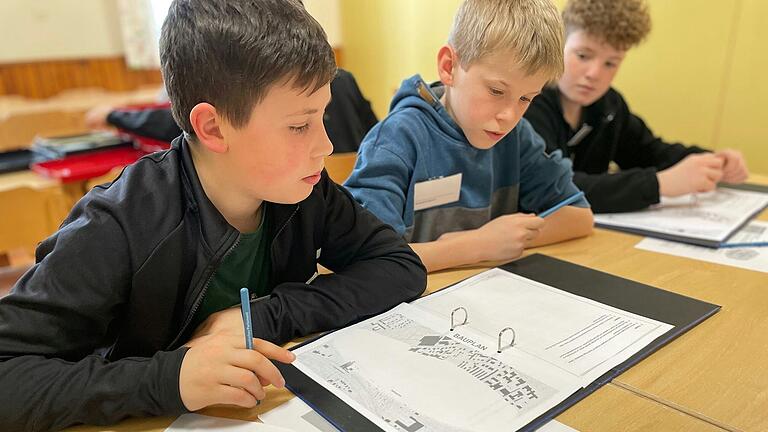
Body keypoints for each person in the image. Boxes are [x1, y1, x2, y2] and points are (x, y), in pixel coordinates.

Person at [0, 1, 426, 430]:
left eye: (323, 116)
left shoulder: (305, 190)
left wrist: (261, 316)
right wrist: (170, 378)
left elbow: (400, 266)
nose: (326, 145)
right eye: (300, 125)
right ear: (214, 128)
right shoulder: (116, 225)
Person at [344, 0, 594, 273]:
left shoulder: (516, 136)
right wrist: (476, 246)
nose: (509, 116)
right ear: (449, 66)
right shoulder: (396, 140)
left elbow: (579, 217)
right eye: (497, 91)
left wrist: (502, 240)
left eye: (526, 98)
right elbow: (369, 258)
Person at [523, 0, 749, 213]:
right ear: (558, 45)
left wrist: (712, 160)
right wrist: (658, 184)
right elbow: (552, 187)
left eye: (610, 63)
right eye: (583, 55)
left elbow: (650, 152)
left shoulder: (610, 105)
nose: (594, 74)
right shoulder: (525, 102)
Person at [85, 69, 377, 153]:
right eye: (300, 125)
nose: (324, 146)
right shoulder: (345, 78)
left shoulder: (266, 87)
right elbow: (373, 132)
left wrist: (114, 115)